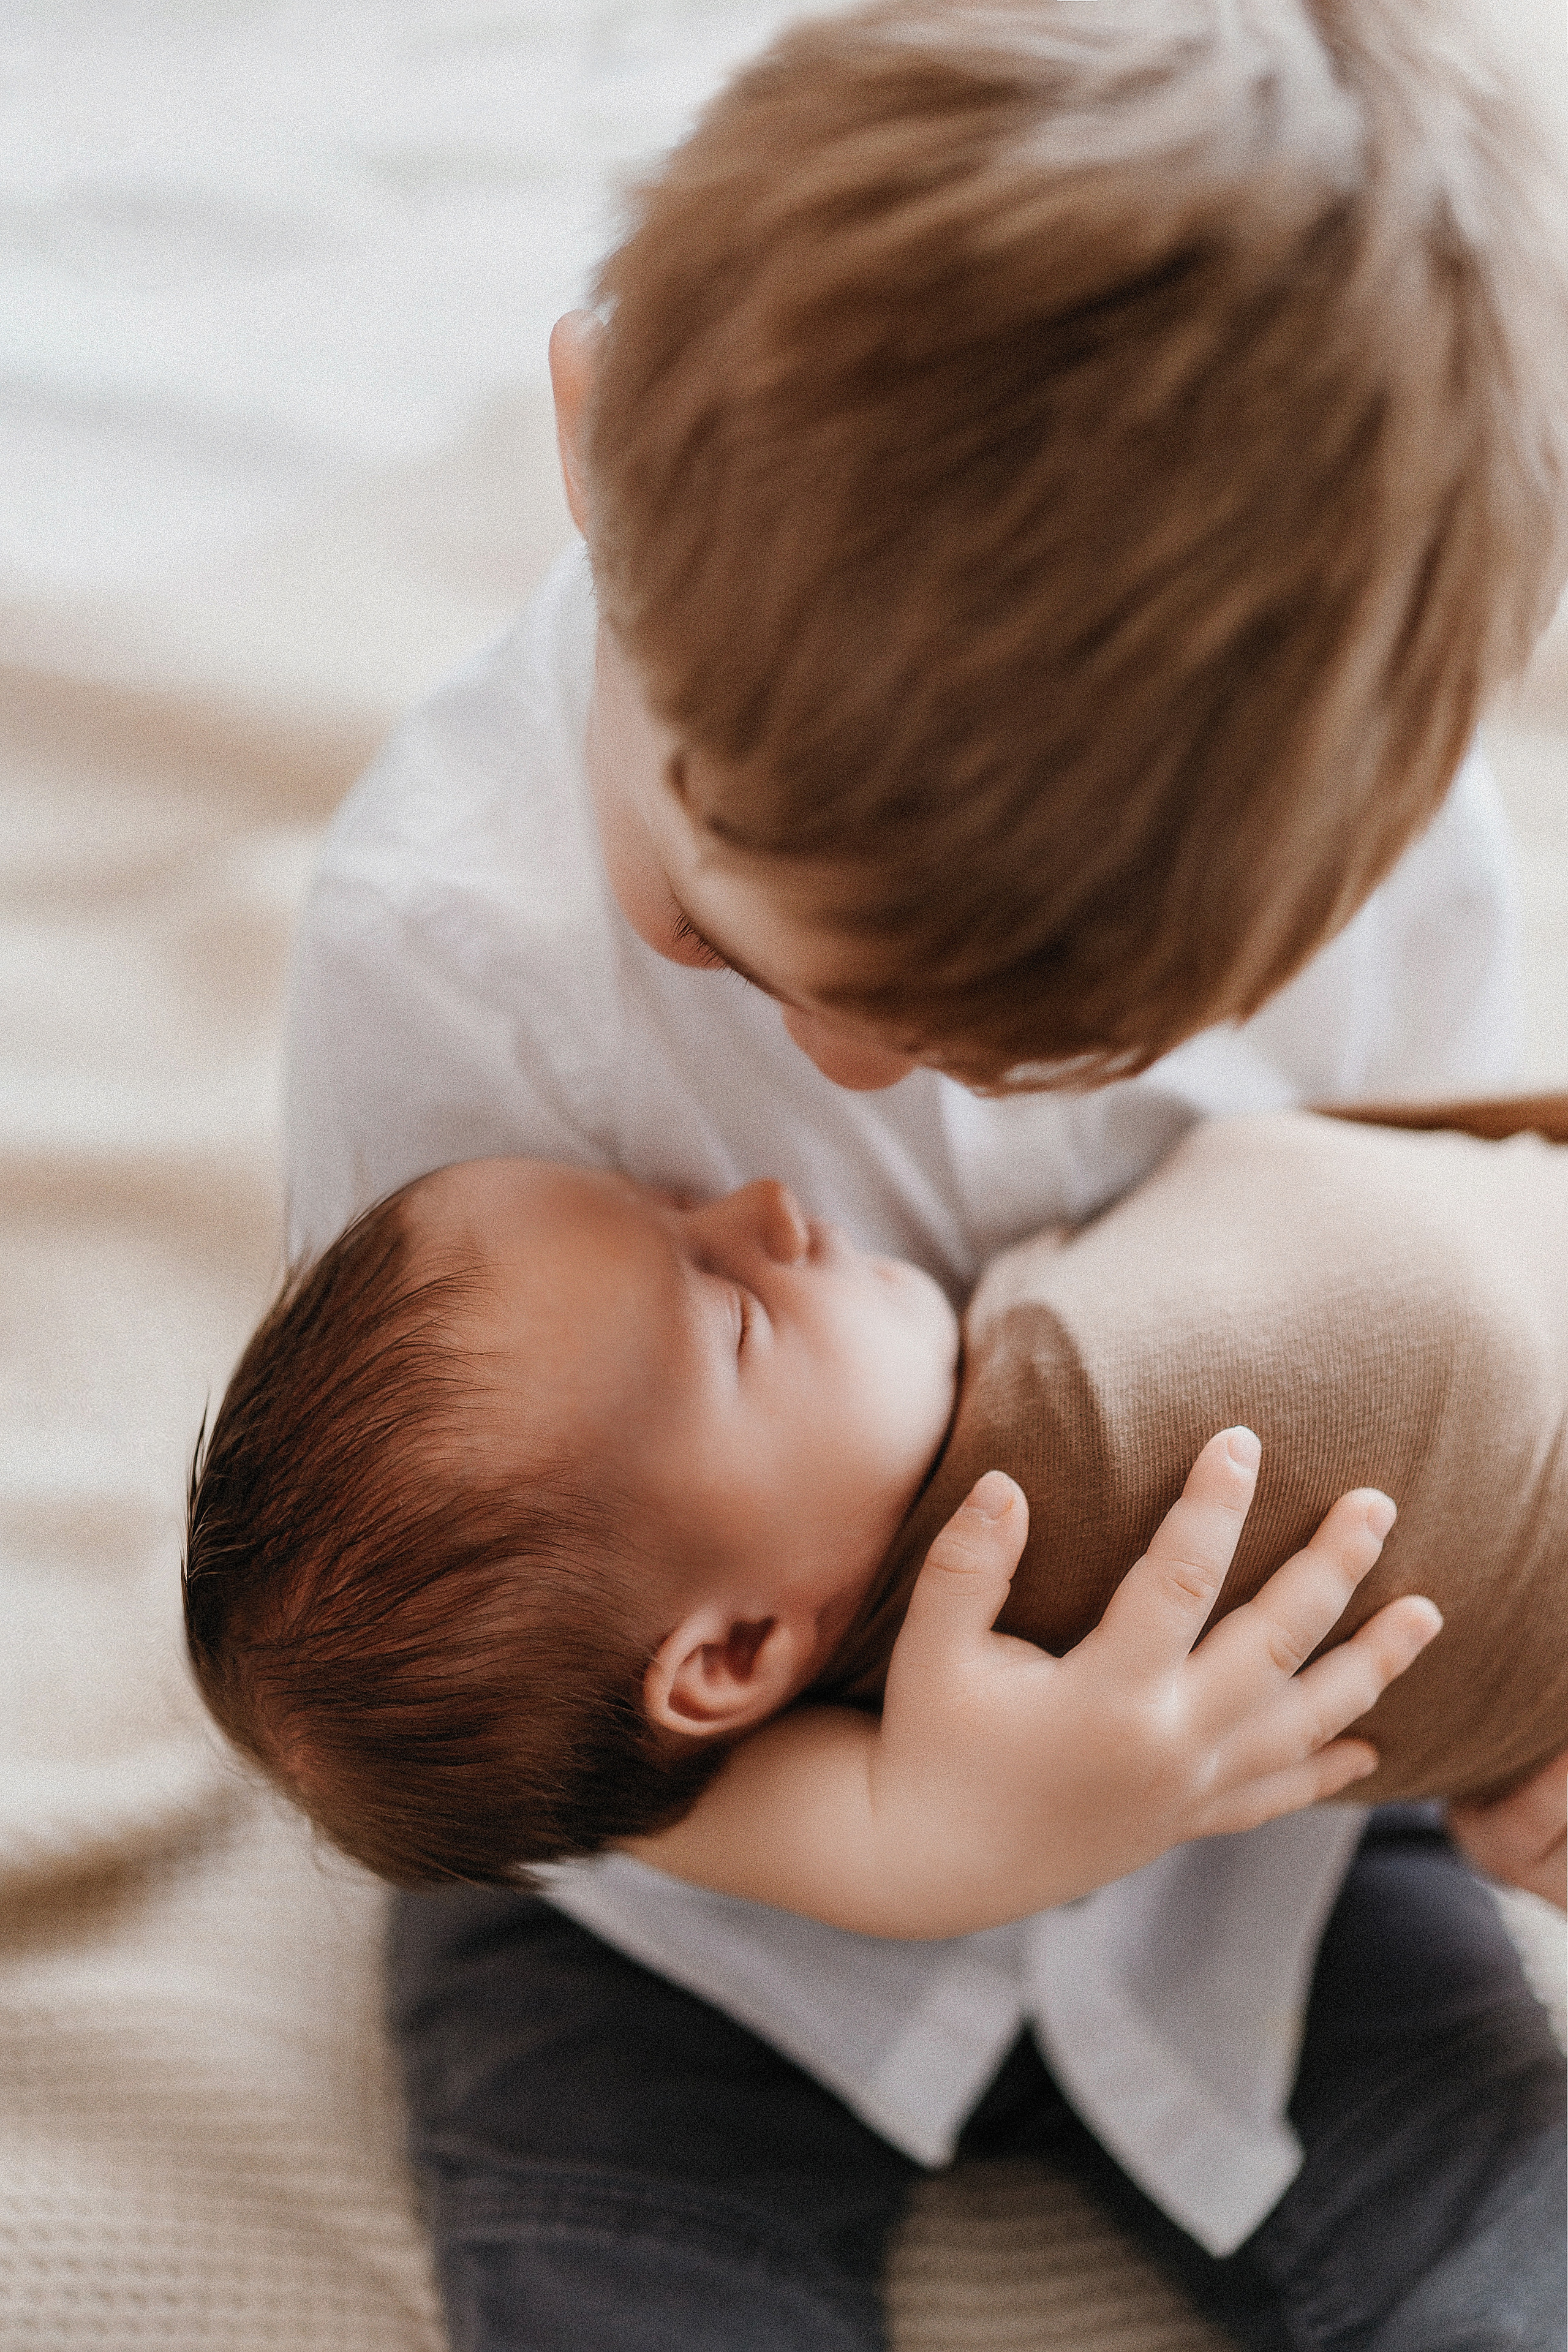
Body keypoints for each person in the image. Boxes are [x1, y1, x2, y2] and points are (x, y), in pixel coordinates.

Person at [282, 3, 1568, 2344]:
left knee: (1505, 2246)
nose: (848, 1089)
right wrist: (898, 1847)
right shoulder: (450, 954)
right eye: (726, 937)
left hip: (1263, 1807)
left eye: (1051, 1045)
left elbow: (1492, 1315)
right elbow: (429, 1636)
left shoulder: (1377, 867)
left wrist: (1532, 1730)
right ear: (594, 439)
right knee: (618, 2265)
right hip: (694, 1882)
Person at [185, 1102, 1568, 1917]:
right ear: (732, 1653)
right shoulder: (986, 1688)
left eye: (672, 1205)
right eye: (731, 1315)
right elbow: (878, 1838)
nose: (769, 1208)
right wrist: (965, 1846)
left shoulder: (986, 1381)